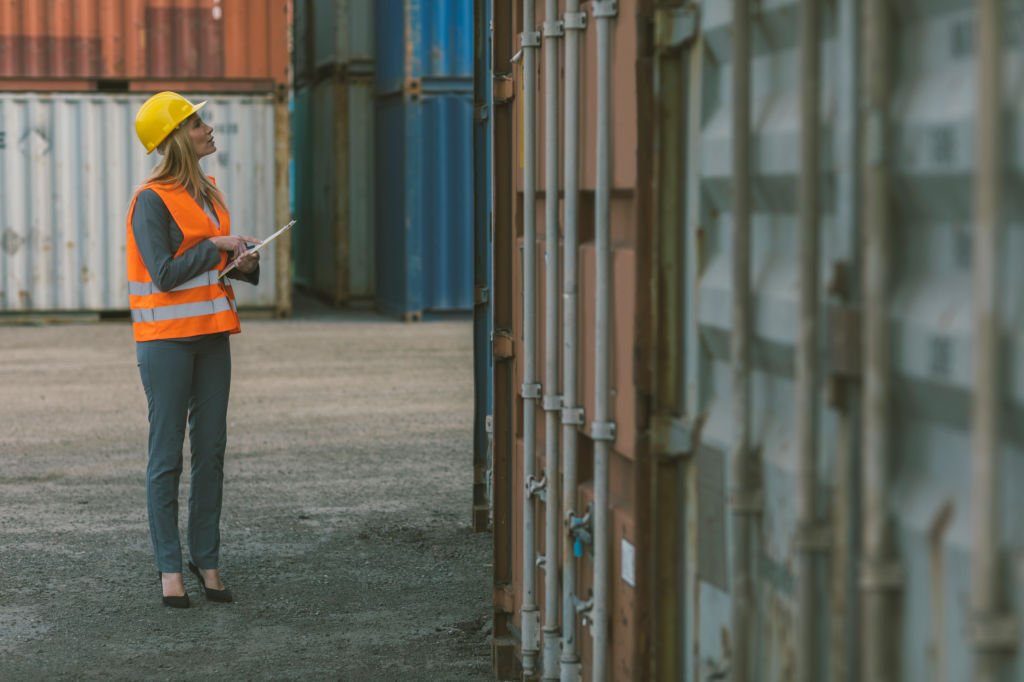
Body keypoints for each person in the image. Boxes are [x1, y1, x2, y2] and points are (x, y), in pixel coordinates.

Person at [127, 91, 261, 608]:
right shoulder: (149, 200)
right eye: (196, 121)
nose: (208, 127)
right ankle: (168, 569)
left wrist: (243, 264)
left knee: (211, 453)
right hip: (166, 344)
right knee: (167, 459)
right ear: (175, 138)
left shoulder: (211, 194)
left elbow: (215, 267)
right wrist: (216, 248)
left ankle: (206, 560)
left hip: (212, 336)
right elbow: (163, 275)